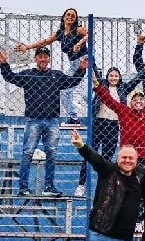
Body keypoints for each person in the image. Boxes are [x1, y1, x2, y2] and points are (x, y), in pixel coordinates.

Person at [0, 48, 87, 196]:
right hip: (33, 120)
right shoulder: (28, 74)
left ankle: (49, 187)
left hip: (52, 121)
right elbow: (11, 77)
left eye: (45, 57)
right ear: (35, 59)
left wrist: (81, 69)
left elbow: (72, 81)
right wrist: (4, 64)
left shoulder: (56, 75)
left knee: (51, 154)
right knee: (27, 153)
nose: (42, 59)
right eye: (39, 57)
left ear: (49, 59)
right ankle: (23, 188)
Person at [15, 7, 88, 125]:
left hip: (84, 62)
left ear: (75, 19)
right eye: (68, 15)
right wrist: (27, 47)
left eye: (73, 16)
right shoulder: (61, 33)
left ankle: (95, 117)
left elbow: (89, 34)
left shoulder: (78, 30)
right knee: (65, 92)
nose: (70, 17)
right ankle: (74, 118)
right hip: (73, 64)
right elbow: (45, 42)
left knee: (86, 93)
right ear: (64, 17)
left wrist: (79, 43)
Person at [76, 67, 140, 197]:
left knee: (107, 158)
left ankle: (103, 185)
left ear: (120, 78)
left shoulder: (123, 89)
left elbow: (136, 80)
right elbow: (94, 72)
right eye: (111, 75)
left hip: (113, 125)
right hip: (99, 123)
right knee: (89, 154)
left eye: (116, 76)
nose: (114, 78)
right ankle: (81, 185)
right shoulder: (102, 86)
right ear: (107, 77)